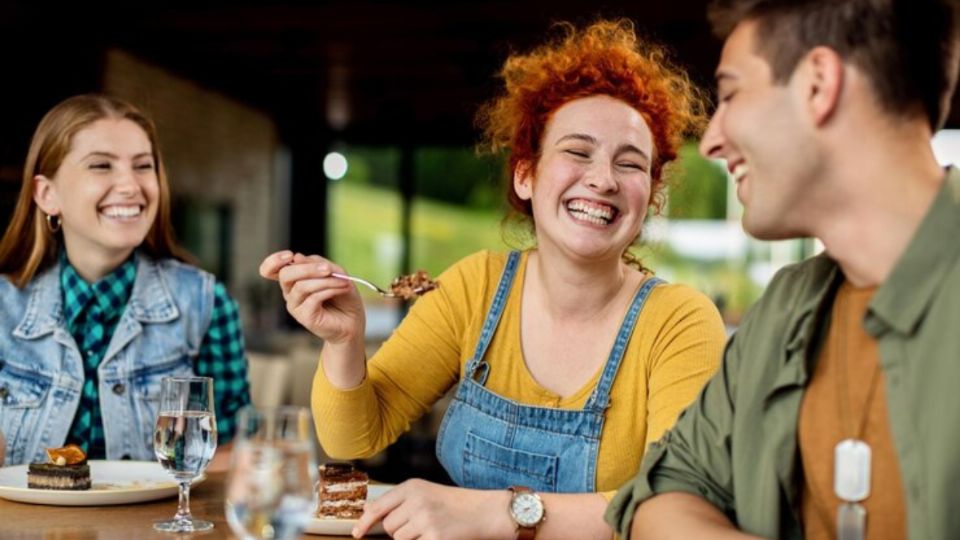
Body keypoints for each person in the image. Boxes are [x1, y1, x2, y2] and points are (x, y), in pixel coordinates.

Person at [261, 19, 726, 540]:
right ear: (525, 175)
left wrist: (501, 514)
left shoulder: (679, 321)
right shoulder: (475, 288)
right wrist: (343, 341)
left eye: (631, 163)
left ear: (650, 197)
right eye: (577, 151)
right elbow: (355, 437)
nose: (603, 179)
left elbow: (679, 510)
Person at [605, 1, 960, 539]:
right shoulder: (783, 309)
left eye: (729, 95)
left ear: (818, 84)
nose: (710, 140)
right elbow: (663, 492)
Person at [0, 94, 251, 467]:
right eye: (101, 165)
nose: (131, 186)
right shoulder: (4, 306)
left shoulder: (206, 302)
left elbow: (235, 451)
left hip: (153, 527)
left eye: (143, 166)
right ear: (47, 194)